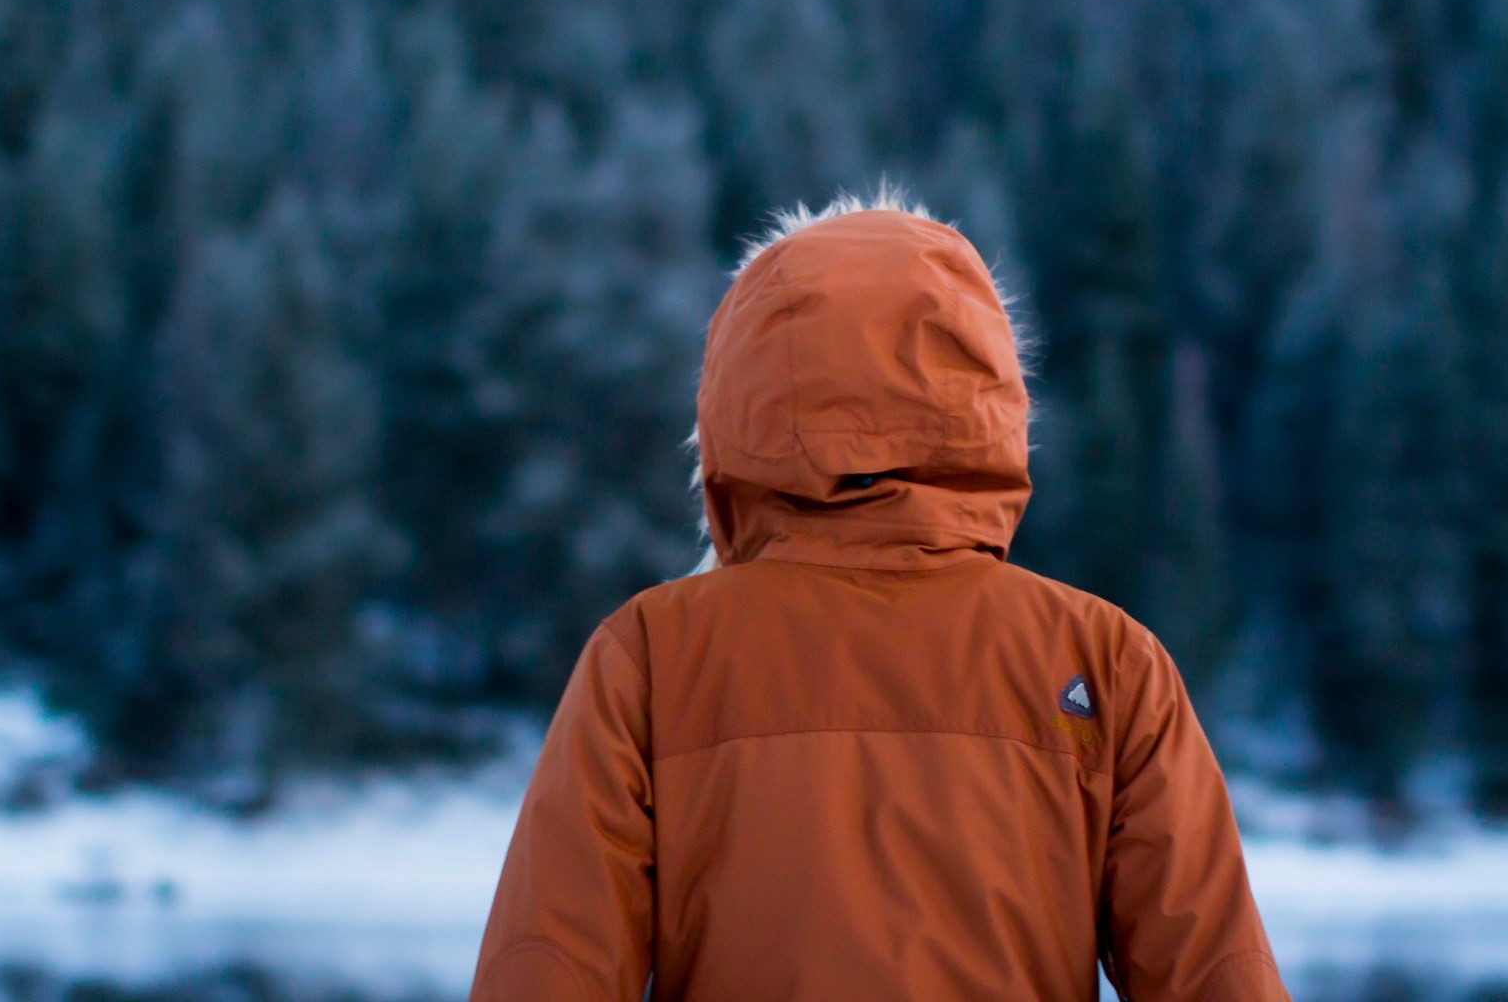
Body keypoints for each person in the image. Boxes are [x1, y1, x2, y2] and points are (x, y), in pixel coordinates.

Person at [469, 192, 1291, 1001]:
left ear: (739, 401)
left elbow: (546, 970)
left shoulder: (651, 656)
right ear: (988, 397)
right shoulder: (1104, 660)